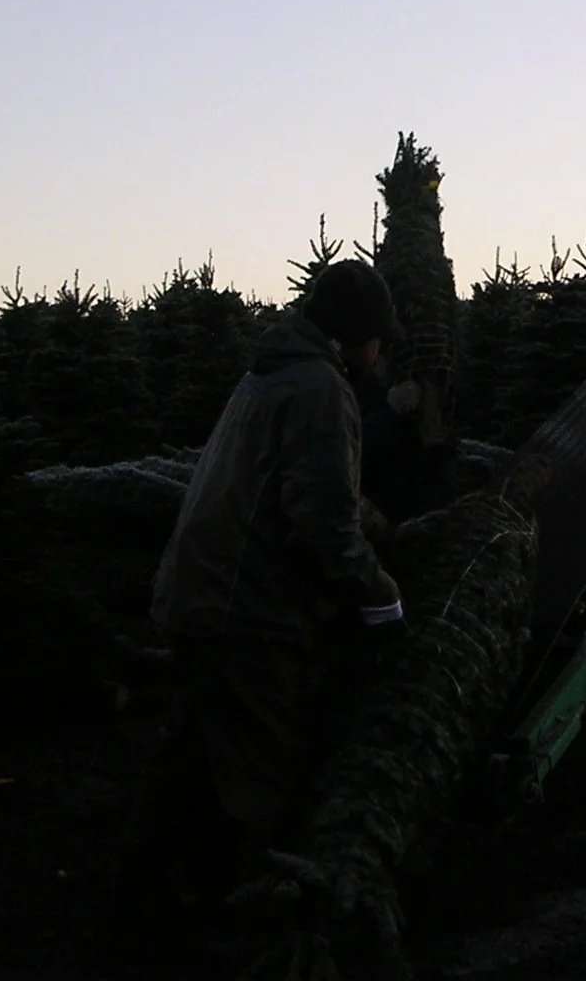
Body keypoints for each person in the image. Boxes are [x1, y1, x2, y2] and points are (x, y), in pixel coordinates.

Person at [114, 259, 403, 938]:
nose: (381, 353)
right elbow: (321, 524)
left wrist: (384, 528)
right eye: (378, 338)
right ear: (357, 336)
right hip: (245, 611)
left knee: (192, 753)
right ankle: (254, 919)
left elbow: (307, 485)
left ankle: (142, 900)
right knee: (263, 770)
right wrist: (380, 591)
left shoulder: (272, 374)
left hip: (198, 596)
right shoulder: (319, 389)